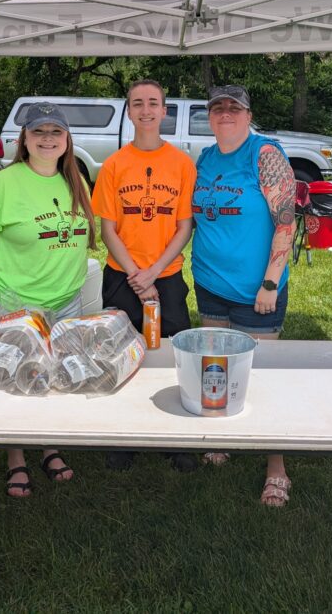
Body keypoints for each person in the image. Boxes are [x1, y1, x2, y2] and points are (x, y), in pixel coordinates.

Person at [0, 101, 95, 498]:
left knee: (54, 376)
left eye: (56, 132)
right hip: (15, 306)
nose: (47, 139)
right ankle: (15, 457)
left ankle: (49, 445)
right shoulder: (2, 185)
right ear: (24, 139)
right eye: (39, 131)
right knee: (15, 381)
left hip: (65, 302)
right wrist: (5, 278)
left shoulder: (75, 181)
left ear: (67, 139)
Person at [190, 85, 296, 507]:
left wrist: (270, 281)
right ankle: (221, 438)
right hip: (210, 284)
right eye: (217, 108)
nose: (225, 114)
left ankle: (276, 467)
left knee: (263, 376)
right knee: (216, 367)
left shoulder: (264, 154)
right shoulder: (206, 159)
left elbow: (286, 220)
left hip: (257, 291)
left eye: (234, 108)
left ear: (248, 115)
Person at [92, 79, 197, 472]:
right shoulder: (114, 165)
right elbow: (107, 229)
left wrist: (153, 272)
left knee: (172, 354)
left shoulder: (182, 164)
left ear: (164, 111)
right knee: (121, 352)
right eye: (138, 103)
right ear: (129, 111)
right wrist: (136, 274)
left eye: (153, 103)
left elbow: (184, 226)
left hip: (165, 275)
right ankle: (124, 434)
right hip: (123, 275)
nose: (146, 110)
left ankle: (175, 435)